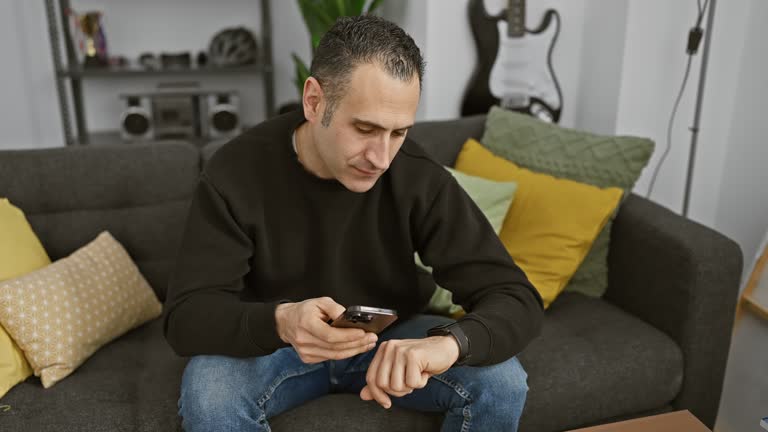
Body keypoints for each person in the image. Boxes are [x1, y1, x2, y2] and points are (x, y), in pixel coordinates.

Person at [163, 15, 543, 432]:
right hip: (277, 346)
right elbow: (186, 317)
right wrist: (282, 321)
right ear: (314, 101)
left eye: (398, 133)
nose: (381, 157)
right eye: (365, 128)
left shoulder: (417, 175)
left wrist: (451, 344)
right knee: (209, 394)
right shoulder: (235, 173)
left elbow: (514, 295)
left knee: (503, 383)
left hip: (389, 341)